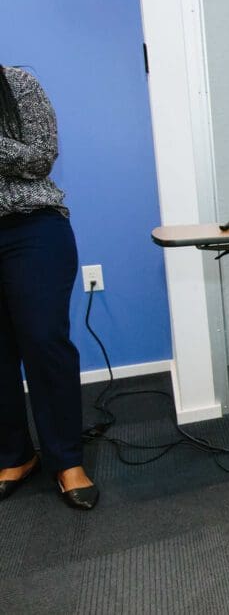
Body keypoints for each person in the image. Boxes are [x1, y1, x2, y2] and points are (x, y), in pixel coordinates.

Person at [0, 65, 98, 511]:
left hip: (30, 228)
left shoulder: (16, 82)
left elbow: (40, 156)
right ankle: (15, 456)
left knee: (44, 342)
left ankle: (66, 460)